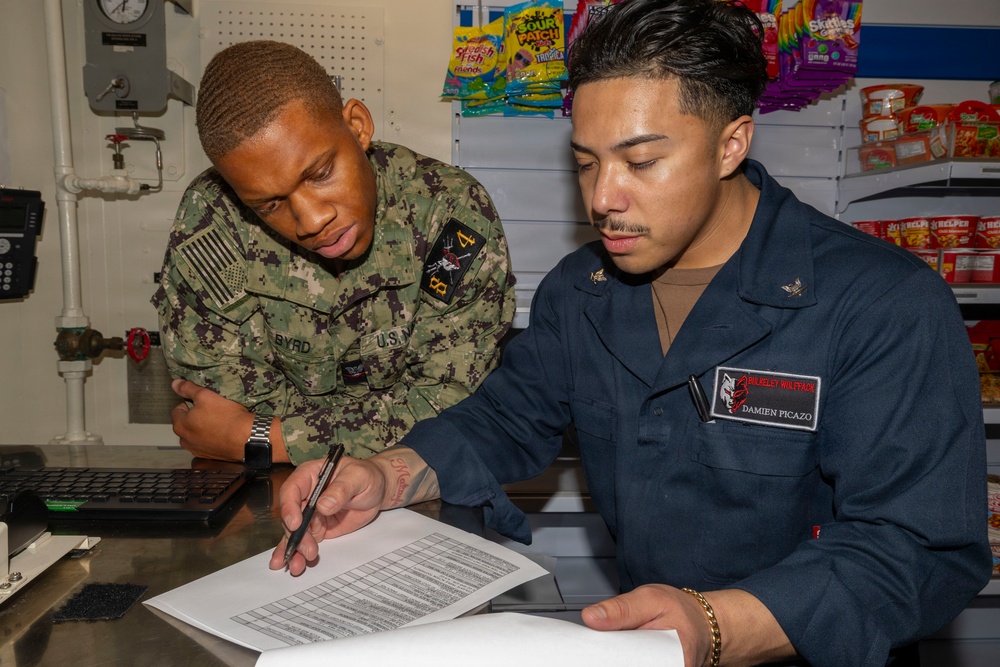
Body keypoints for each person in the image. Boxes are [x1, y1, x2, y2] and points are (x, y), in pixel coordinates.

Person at [268, 1, 992, 665]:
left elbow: (917, 549)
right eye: (586, 163)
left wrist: (716, 625)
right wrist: (385, 474)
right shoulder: (580, 293)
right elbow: (503, 418)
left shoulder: (882, 303)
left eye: (641, 162)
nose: (603, 199)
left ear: (731, 142)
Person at [152, 41, 516, 467]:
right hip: (269, 489)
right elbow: (218, 402)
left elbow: (451, 403)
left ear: (358, 126)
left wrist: (265, 438)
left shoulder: (450, 212)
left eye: (320, 174)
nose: (310, 220)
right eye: (269, 204)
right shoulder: (212, 221)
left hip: (414, 482)